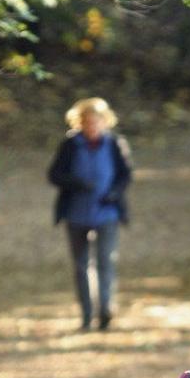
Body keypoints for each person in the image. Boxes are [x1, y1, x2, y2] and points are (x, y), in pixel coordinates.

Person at [48, 97, 132, 331]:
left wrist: (114, 193)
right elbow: (54, 175)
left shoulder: (114, 144)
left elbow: (125, 175)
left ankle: (105, 308)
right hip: (76, 213)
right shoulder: (70, 145)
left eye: (96, 122)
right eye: (87, 122)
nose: (91, 126)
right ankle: (87, 313)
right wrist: (75, 183)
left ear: (105, 122)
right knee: (81, 264)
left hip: (107, 212)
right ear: (80, 122)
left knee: (106, 261)